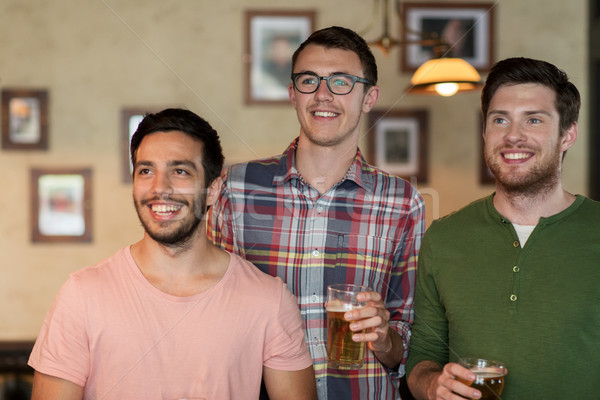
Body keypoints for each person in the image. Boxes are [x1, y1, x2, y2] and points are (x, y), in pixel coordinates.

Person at [28, 108, 317, 400]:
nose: (159, 188)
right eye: (146, 171)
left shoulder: (269, 300)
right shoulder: (81, 295)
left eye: (180, 171)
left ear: (213, 190)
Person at [208, 26, 426, 399]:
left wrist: (384, 336)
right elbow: (206, 310)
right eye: (309, 80)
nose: (323, 95)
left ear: (369, 97)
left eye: (341, 82)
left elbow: (407, 342)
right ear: (293, 94)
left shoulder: (403, 201)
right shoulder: (235, 188)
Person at [406, 57, 600, 399]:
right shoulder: (443, 237)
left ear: (568, 134)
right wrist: (432, 385)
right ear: (484, 132)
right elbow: (421, 357)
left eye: (534, 120)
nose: (513, 136)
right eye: (500, 120)